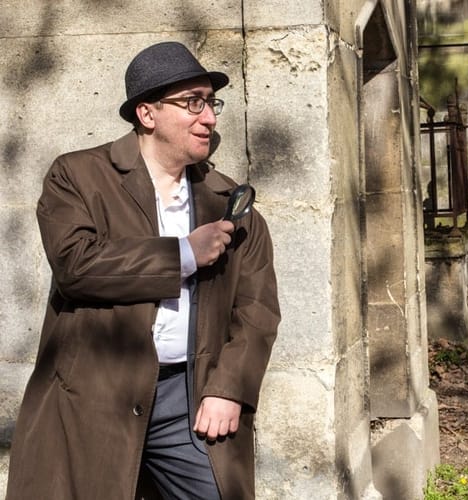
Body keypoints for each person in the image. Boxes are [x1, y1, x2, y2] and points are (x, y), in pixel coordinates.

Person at [6, 41, 281, 500]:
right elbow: (77, 264)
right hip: (91, 396)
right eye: (193, 103)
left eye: (212, 103)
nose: (209, 117)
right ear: (147, 114)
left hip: (189, 398)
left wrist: (229, 389)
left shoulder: (229, 199)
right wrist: (184, 255)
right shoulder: (78, 175)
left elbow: (258, 308)